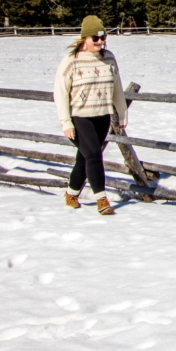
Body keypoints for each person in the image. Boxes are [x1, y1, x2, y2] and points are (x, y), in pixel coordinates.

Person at [53, 16, 129, 215]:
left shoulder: (109, 58)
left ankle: (71, 194)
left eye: (104, 37)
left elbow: (117, 88)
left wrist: (122, 113)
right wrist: (66, 122)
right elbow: (60, 92)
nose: (101, 42)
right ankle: (102, 200)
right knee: (94, 156)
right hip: (80, 117)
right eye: (96, 38)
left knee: (85, 157)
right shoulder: (72, 60)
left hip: (102, 115)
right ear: (85, 37)